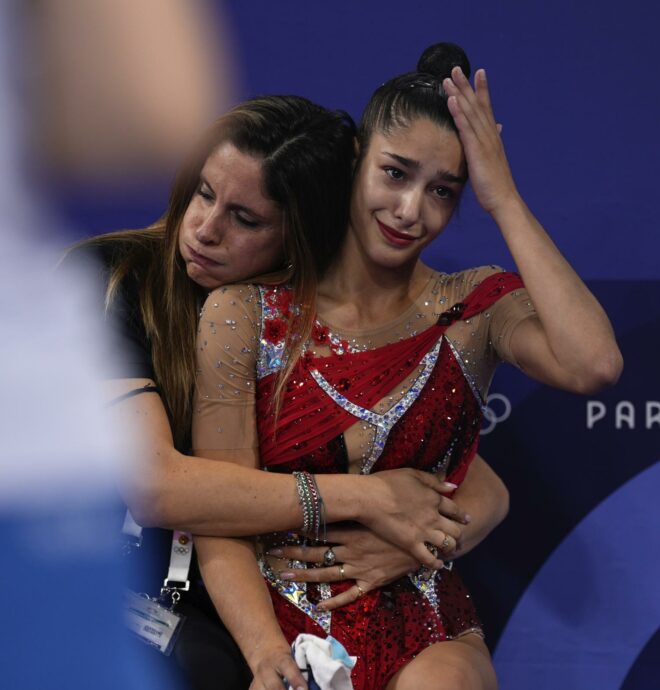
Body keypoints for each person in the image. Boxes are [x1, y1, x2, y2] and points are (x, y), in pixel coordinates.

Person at [191, 43, 623, 690]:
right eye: (395, 173)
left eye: (444, 191)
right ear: (356, 160)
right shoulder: (244, 313)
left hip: (421, 628)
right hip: (273, 624)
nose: (410, 211)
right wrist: (266, 658)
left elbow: (592, 365)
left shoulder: (473, 308)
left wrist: (501, 196)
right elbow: (218, 516)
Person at [69, 94, 510, 689]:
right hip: (109, 584)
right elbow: (154, 485)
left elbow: (480, 486)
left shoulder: (302, 315)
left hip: (238, 599)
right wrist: (366, 499)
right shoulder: (111, 278)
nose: (205, 229)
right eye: (204, 193)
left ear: (300, 236)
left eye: (246, 220)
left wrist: (416, 546)